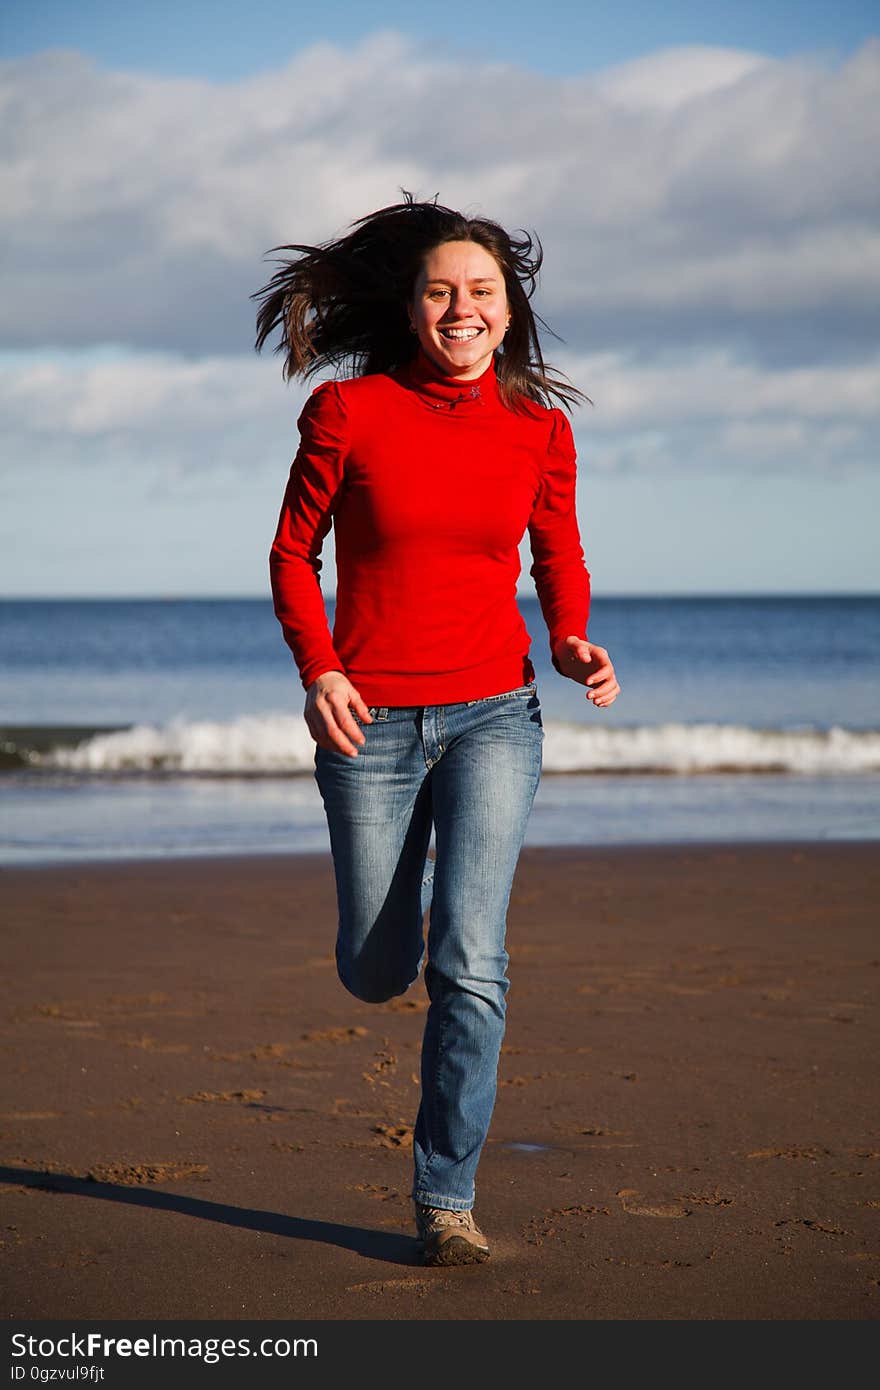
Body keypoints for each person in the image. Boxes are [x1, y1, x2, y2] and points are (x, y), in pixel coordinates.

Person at [254, 194, 620, 1267]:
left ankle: (444, 1201)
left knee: (470, 959)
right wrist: (317, 667)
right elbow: (291, 554)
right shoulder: (348, 413)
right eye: (442, 290)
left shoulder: (540, 431)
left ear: (508, 314)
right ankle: (385, 931)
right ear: (412, 306)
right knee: (377, 969)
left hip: (495, 714)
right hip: (367, 719)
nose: (463, 309)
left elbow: (556, 552)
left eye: (483, 294)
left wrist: (569, 638)